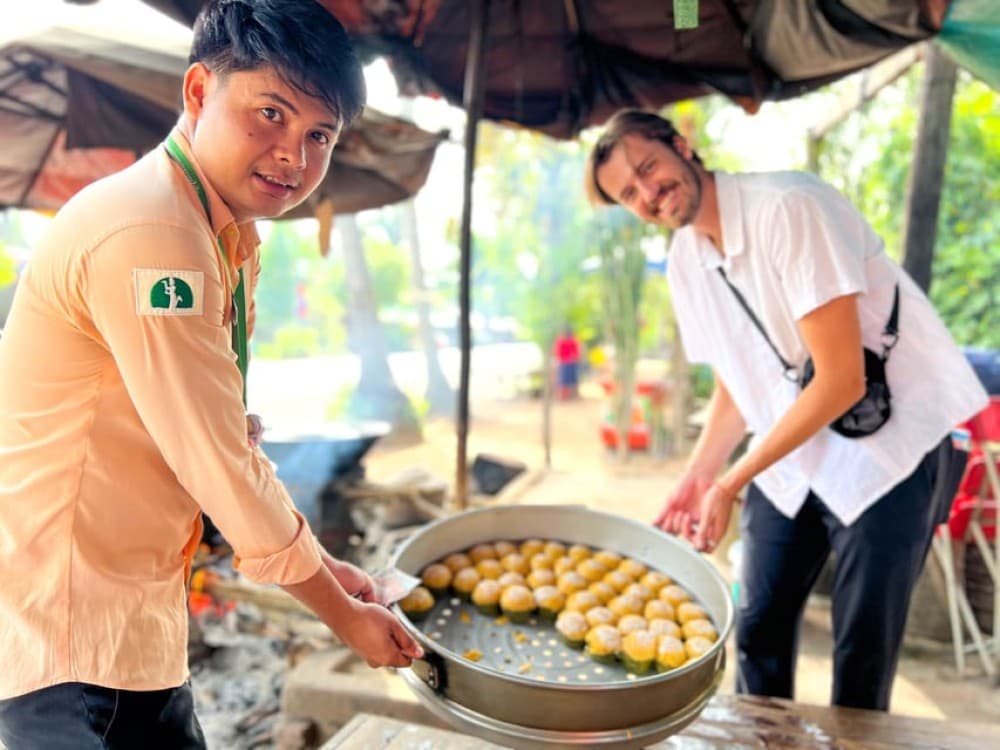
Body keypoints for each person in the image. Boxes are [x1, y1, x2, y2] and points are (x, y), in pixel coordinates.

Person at [0, 2, 421, 747]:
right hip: (55, 635)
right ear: (199, 92)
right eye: (270, 113)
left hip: (137, 629)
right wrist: (344, 615)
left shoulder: (226, 236)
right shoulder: (152, 231)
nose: (293, 155)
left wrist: (325, 564)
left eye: (319, 134)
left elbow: (216, 432)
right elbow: (222, 464)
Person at [585, 109, 987, 711]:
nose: (648, 193)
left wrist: (730, 482)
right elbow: (735, 382)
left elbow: (841, 381)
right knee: (758, 628)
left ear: (681, 145)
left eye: (648, 168)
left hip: (889, 447)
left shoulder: (790, 208)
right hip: (793, 451)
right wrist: (699, 475)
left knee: (861, 656)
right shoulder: (687, 260)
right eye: (628, 192)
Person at [553, 326, 582, 400]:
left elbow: (576, 351)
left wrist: (574, 358)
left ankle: (572, 396)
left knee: (572, 380)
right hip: (564, 363)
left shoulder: (573, 340)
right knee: (563, 381)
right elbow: (558, 352)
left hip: (571, 362)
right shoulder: (561, 341)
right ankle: (563, 396)